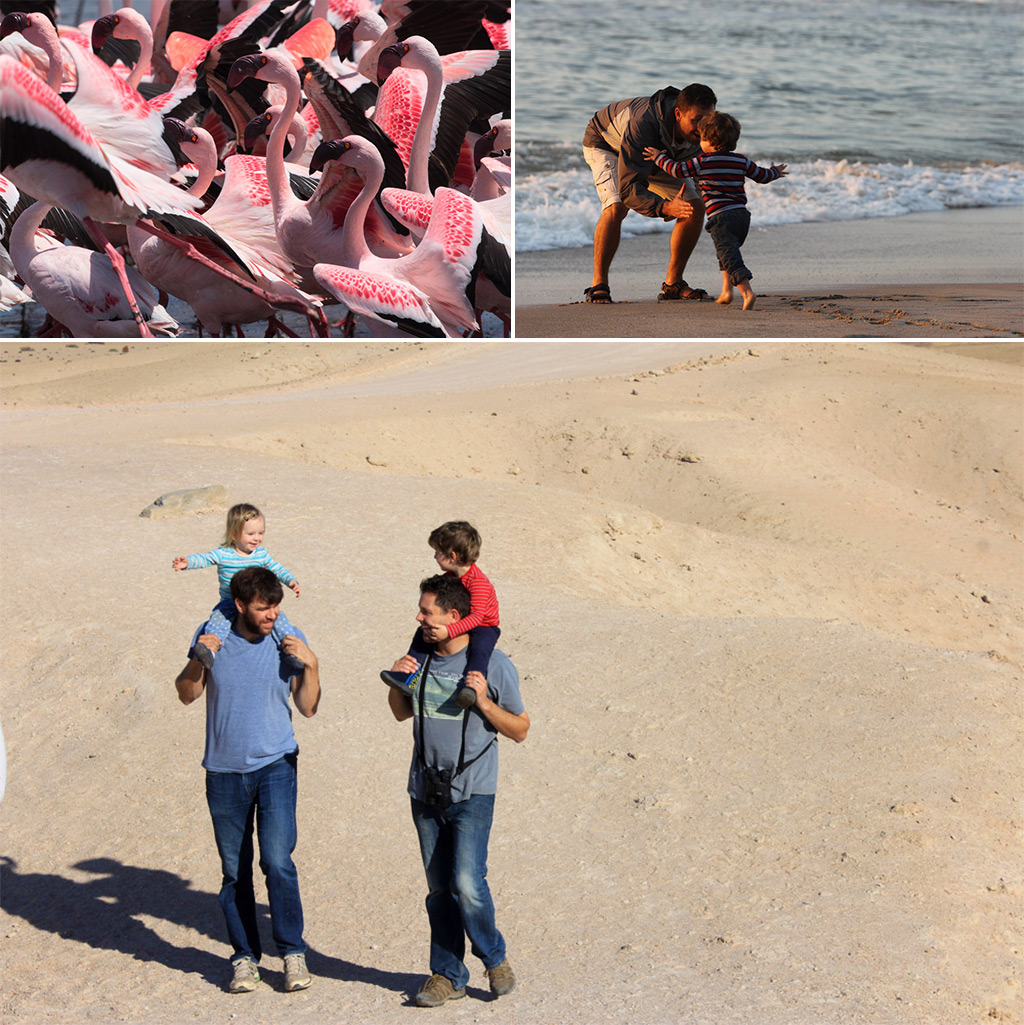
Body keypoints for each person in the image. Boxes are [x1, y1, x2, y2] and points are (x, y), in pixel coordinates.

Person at [175, 566, 321, 995]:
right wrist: (197, 655)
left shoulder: (288, 641)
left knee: (277, 861)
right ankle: (244, 959)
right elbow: (186, 693)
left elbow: (308, 708)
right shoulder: (213, 636)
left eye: (276, 605)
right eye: (262, 608)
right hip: (223, 770)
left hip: (276, 763)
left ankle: (293, 951)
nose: (272, 614)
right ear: (239, 605)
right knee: (234, 872)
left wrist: (312, 664)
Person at [386, 574, 529, 1008]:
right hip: (425, 790)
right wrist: (400, 680)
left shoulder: (493, 665)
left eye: (427, 611)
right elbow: (398, 714)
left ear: (455, 617)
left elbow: (521, 730)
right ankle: (446, 975)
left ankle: (493, 956)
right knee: (438, 890)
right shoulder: (421, 659)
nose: (419, 618)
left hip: (473, 791)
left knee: (467, 882)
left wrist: (485, 703)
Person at [581, 83, 717, 304]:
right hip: (607, 144)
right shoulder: (643, 122)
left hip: (657, 157)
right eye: (696, 120)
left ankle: (673, 284)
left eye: (708, 119)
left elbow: (709, 171)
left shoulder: (709, 130)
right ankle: (599, 284)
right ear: (678, 114)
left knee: (694, 207)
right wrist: (665, 207)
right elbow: (628, 190)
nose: (703, 128)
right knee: (617, 206)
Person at [645, 111, 788, 310]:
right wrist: (776, 172)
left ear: (708, 141)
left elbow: (677, 170)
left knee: (730, 257)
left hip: (721, 217)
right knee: (726, 253)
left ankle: (747, 292)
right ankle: (726, 292)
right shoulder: (741, 160)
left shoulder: (702, 161)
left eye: (702, 138)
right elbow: (762, 176)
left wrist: (659, 157)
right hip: (742, 216)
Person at [380, 521, 500, 710]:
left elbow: (477, 617)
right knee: (423, 632)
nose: (435, 556)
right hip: (460, 620)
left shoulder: (478, 583)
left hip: (484, 626)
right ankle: (409, 677)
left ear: (452, 556)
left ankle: (471, 689)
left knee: (479, 652)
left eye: (437, 552)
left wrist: (448, 631)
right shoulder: (449, 577)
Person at [173, 502, 301, 670]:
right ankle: (209, 652)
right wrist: (188, 562)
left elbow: (277, 568)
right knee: (217, 623)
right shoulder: (223, 554)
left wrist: (290, 581)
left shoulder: (261, 554)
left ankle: (291, 652)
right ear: (234, 534)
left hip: (257, 601)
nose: (257, 538)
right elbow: (204, 558)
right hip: (229, 602)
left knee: (280, 620)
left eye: (260, 533)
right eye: (250, 534)